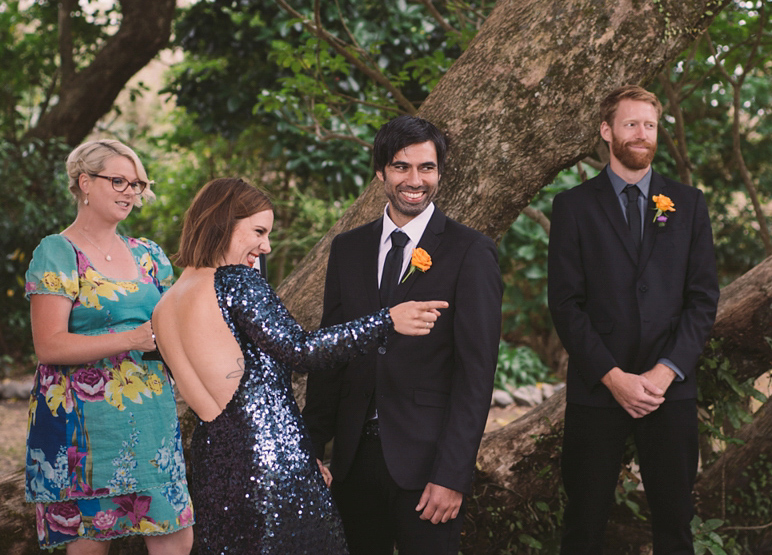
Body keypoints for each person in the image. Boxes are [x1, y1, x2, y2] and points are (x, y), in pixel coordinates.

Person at [150, 178, 446, 554]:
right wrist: (385, 320)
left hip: (215, 467)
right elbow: (301, 350)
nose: (266, 246)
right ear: (223, 221)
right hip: (271, 461)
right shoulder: (235, 282)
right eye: (258, 231)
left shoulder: (165, 305)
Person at [302, 115, 503, 555]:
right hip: (352, 462)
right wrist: (313, 445)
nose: (415, 180)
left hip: (429, 465)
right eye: (401, 167)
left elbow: (476, 373)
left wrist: (452, 474)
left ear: (440, 173)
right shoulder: (347, 249)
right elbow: (331, 354)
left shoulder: (471, 252)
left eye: (426, 168)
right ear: (380, 172)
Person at [548, 85, 719, 554]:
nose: (642, 134)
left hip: (670, 392)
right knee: (583, 522)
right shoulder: (573, 207)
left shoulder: (689, 203)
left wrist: (664, 373)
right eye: (631, 124)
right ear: (607, 131)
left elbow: (703, 300)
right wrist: (613, 377)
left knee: (675, 523)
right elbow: (565, 303)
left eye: (649, 125)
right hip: (598, 389)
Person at [23, 139, 194, 554]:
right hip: (83, 431)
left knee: (176, 536)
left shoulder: (150, 256)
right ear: (84, 182)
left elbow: (175, 331)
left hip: (152, 423)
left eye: (136, 184)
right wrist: (132, 339)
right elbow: (49, 345)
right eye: (118, 180)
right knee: (90, 545)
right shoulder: (58, 252)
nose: (130, 192)